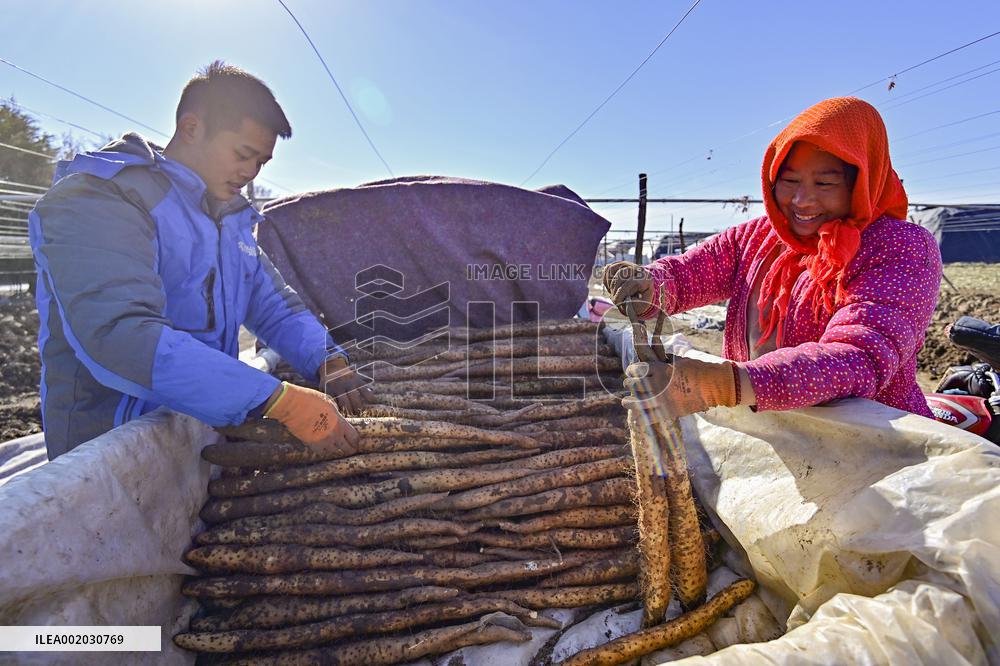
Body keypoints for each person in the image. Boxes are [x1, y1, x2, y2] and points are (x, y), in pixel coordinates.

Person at [29, 61, 370, 459]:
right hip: (109, 443)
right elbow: (120, 334)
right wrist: (278, 400)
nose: (250, 172)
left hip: (199, 425)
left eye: (261, 162)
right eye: (244, 154)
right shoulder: (104, 198)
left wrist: (327, 359)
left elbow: (277, 307)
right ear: (192, 128)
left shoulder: (228, 220)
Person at [604, 97, 942, 422]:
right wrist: (649, 284)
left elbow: (858, 355)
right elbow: (689, 275)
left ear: (862, 181)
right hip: (771, 427)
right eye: (789, 180)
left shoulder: (901, 248)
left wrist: (723, 384)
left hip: (876, 447)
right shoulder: (759, 237)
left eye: (825, 183)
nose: (802, 200)